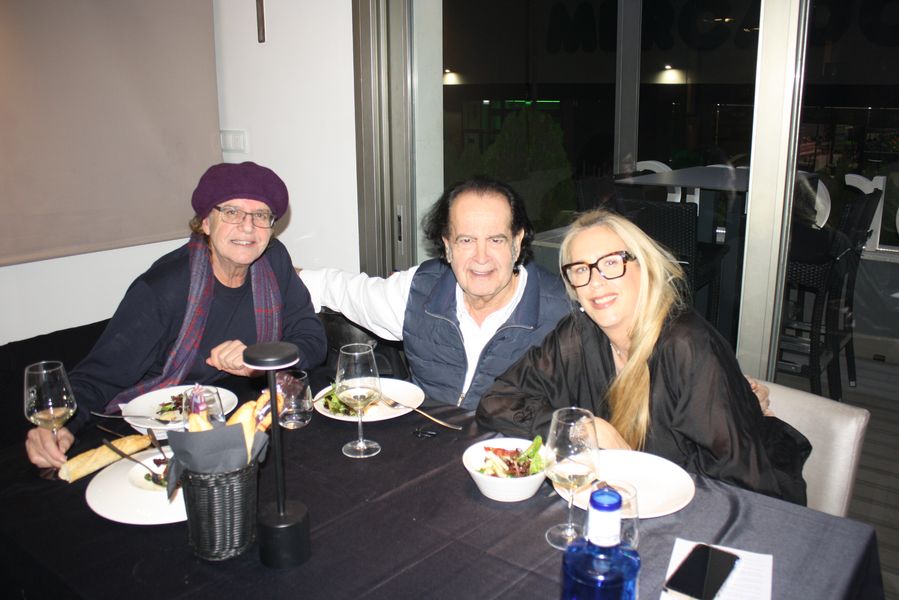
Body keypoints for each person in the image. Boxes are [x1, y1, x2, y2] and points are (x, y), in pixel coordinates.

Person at [476, 208, 810, 504]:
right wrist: (585, 429)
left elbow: (738, 484)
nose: (595, 282)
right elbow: (496, 402)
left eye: (611, 263)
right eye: (580, 269)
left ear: (645, 267)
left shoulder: (687, 347)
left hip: (715, 512)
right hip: (620, 505)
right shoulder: (578, 334)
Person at [26, 161, 327, 468]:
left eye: (260, 215)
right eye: (232, 212)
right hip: (160, 430)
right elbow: (98, 376)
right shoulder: (163, 288)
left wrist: (259, 359)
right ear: (205, 223)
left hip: (236, 418)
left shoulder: (274, 262)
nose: (248, 226)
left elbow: (312, 340)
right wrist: (58, 425)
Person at [299, 177, 572, 409]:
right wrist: (276, 269)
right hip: (426, 446)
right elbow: (337, 288)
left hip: (514, 453)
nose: (481, 257)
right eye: (466, 240)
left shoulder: (564, 314)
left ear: (517, 241)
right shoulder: (419, 290)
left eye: (495, 240)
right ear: (448, 246)